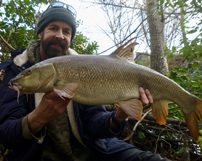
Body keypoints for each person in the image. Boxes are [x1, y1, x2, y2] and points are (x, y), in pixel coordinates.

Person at [0, 1, 170, 161]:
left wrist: (119, 116)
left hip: (89, 148)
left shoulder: (85, 66)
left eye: (66, 31)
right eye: (53, 28)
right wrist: (37, 118)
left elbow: (93, 124)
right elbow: (7, 135)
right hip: (37, 154)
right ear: (40, 32)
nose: (60, 35)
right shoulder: (17, 70)